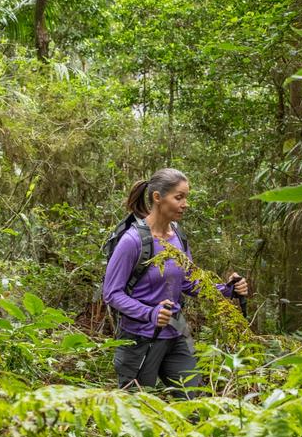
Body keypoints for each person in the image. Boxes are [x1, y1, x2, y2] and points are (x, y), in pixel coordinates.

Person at [102, 168, 249, 396]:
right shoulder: (133, 241)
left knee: (192, 401)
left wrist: (227, 290)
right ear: (157, 198)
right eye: (179, 197)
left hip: (176, 334)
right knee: (138, 409)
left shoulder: (178, 236)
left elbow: (189, 282)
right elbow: (112, 293)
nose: (185, 204)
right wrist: (149, 313)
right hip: (140, 340)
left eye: (186, 197)